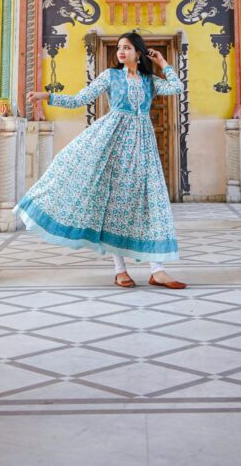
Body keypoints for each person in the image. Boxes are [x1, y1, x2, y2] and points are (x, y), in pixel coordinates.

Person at [13, 32, 187, 289]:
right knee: (113, 202)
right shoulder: (110, 76)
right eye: (119, 48)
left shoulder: (150, 81)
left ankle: (157, 270)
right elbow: (79, 99)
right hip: (112, 142)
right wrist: (47, 96)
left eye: (127, 48)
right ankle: (120, 269)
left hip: (143, 147)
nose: (121, 52)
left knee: (149, 200)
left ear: (138, 54)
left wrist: (163, 63)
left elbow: (177, 87)